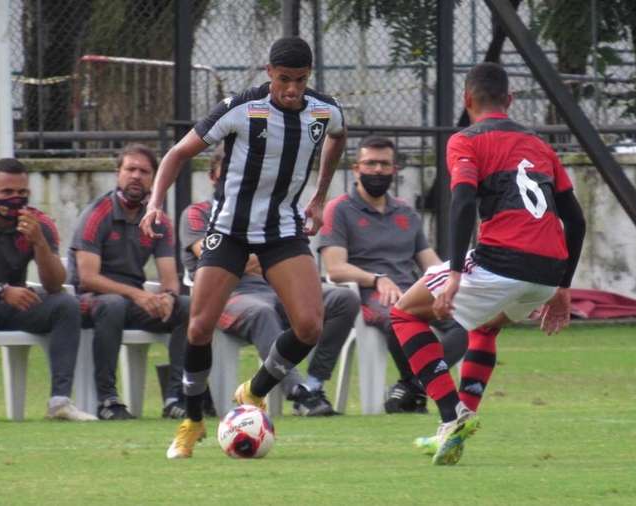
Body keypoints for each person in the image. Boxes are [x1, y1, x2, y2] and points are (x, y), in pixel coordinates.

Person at [140, 36, 347, 459]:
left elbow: (338, 138)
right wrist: (155, 202)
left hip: (283, 232)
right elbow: (178, 154)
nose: (292, 89)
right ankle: (192, 421)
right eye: (285, 79)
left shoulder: (324, 111)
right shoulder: (241, 109)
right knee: (199, 327)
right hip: (229, 232)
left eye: (301, 81)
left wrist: (321, 196)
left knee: (309, 325)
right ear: (270, 73)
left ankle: (253, 392)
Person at [389, 62, 586, 465]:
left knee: (404, 314)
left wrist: (456, 274)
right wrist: (563, 287)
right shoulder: (541, 146)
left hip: (502, 261)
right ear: (509, 101)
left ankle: (450, 417)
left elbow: (462, 202)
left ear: (467, 100)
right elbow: (577, 220)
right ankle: (457, 435)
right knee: (486, 325)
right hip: (548, 273)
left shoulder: (466, 140)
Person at [180, 145, 359, 416]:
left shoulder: (269, 211)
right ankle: (297, 392)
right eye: (227, 173)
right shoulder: (197, 213)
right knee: (261, 312)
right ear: (213, 177)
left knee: (342, 299)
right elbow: (213, 258)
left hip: (274, 289)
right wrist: (268, 256)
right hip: (230, 297)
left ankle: (314, 383)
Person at [319, 135, 468, 414]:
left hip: (412, 293)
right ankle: (418, 385)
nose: (377, 170)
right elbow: (335, 269)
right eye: (370, 163)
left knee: (466, 320)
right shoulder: (338, 209)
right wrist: (376, 278)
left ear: (394, 169)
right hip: (368, 295)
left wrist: (456, 284)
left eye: (384, 164)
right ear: (356, 168)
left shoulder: (406, 212)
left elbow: (432, 265)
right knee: (397, 317)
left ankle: (414, 384)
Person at [0, 158, 96, 422]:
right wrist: (1, 290)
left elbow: (54, 284)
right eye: (7, 193)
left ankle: (60, 401)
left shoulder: (40, 223)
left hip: (17, 305)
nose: (15, 199)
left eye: (22, 193)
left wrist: (39, 242)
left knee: (66, 304)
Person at [66, 144, 191, 420]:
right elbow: (88, 278)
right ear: (117, 174)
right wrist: (139, 295)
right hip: (89, 301)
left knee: (188, 306)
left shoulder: (159, 220)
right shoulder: (97, 213)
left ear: (155, 179)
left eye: (144, 171)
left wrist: (167, 298)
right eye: (130, 169)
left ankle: (175, 397)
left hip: (131, 301)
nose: (136, 176)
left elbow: (170, 279)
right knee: (112, 305)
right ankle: (108, 400)